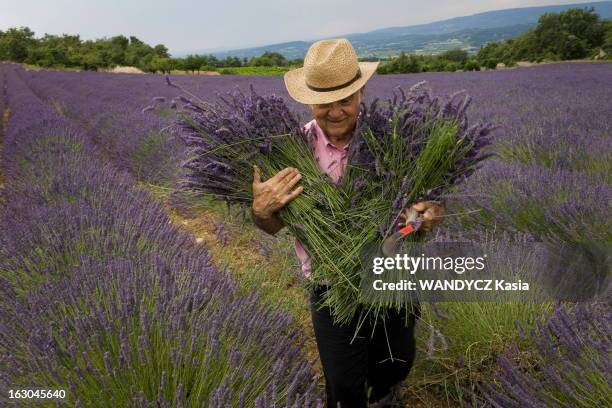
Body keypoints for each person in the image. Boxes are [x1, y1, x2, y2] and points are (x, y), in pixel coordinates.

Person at [251, 39, 445, 408]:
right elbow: (270, 225)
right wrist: (262, 211)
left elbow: (430, 208)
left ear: (362, 91)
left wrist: (426, 215)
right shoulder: (289, 150)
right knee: (343, 382)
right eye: (325, 101)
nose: (336, 111)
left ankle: (386, 397)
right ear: (309, 99)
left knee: (396, 362)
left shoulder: (396, 140)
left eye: (346, 99)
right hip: (328, 283)